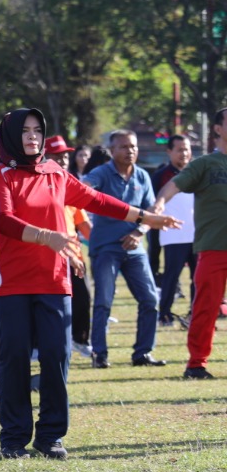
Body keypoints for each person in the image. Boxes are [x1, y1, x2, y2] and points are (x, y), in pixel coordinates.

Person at [0, 108, 179, 460]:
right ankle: (13, 439)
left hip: (54, 279)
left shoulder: (55, 172)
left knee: (57, 355)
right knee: (14, 357)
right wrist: (48, 237)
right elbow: (2, 222)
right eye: (25, 131)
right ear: (10, 136)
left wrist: (145, 217)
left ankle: (50, 436)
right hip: (10, 280)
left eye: (37, 130)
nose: (32, 137)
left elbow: (97, 201)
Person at [80, 130, 165, 368]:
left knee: (150, 300)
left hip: (135, 248)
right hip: (106, 248)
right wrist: (83, 186)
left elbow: (151, 212)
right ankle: (100, 354)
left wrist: (139, 232)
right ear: (112, 150)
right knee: (103, 302)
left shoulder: (142, 177)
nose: (131, 151)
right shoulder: (102, 173)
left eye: (133, 146)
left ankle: (142, 354)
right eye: (124, 147)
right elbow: (84, 187)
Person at [153, 108, 227, 379]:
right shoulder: (205, 164)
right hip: (213, 247)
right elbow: (173, 186)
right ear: (218, 128)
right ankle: (196, 364)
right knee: (205, 307)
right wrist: (160, 203)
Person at [42, 135, 94, 359]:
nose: (62, 160)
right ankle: (39, 345)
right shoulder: (38, 182)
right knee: (48, 302)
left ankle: (80, 340)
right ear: (45, 156)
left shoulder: (70, 183)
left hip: (73, 250)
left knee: (83, 297)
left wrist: (100, 243)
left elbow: (82, 222)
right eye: (57, 156)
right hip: (47, 249)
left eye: (64, 156)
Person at [153, 134, 195, 325]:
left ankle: (195, 313)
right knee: (171, 276)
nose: (184, 153)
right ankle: (165, 314)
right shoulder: (160, 176)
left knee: (198, 278)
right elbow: (152, 206)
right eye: (179, 149)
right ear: (169, 151)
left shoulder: (198, 172)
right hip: (173, 237)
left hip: (198, 236)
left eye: (187, 149)